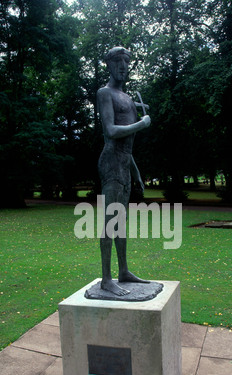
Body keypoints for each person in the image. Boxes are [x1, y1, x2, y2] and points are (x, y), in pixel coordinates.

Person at [97, 46, 151, 296]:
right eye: (118, 61)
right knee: (109, 222)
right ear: (109, 64)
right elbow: (111, 131)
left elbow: (127, 147)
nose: (123, 66)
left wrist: (136, 172)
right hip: (111, 163)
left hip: (124, 163)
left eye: (126, 62)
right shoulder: (104, 93)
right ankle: (106, 279)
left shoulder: (128, 98)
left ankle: (124, 271)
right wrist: (141, 124)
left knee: (121, 222)